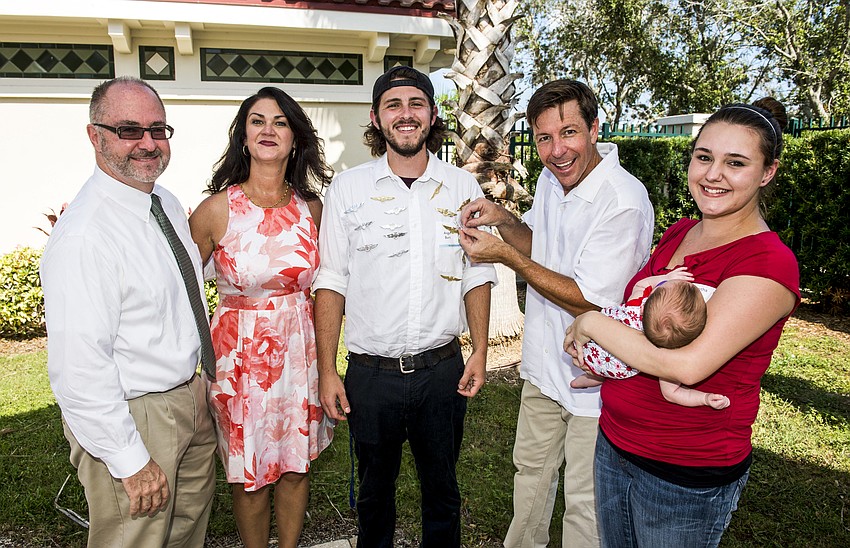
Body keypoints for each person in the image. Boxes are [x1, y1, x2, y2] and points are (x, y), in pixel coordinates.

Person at [564, 98, 800, 547]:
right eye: (704, 157)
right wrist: (609, 362)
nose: (713, 174)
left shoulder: (768, 262)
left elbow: (687, 366)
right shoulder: (679, 232)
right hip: (614, 444)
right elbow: (642, 321)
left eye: (736, 163)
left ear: (767, 172)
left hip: (683, 474)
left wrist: (591, 323)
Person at [458, 79, 654, 548]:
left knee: (585, 505)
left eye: (569, 133)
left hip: (595, 382)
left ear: (594, 128)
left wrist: (505, 257)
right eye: (544, 138)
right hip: (544, 369)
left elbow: (590, 302)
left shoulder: (623, 202)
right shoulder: (552, 179)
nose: (556, 150)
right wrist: (505, 221)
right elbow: (540, 249)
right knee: (529, 476)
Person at [314, 65, 497, 548]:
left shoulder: (461, 187)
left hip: (442, 371)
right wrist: (327, 370)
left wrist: (480, 349)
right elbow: (331, 280)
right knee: (374, 496)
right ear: (376, 118)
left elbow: (477, 272)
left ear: (433, 114)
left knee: (443, 492)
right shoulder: (347, 188)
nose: (406, 114)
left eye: (416, 103)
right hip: (370, 376)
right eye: (393, 105)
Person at [40, 76, 216, 547]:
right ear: (95, 136)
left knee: (185, 536)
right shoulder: (85, 236)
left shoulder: (164, 203)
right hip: (134, 416)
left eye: (158, 129)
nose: (148, 143)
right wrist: (130, 460)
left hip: (188, 397)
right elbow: (79, 368)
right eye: (129, 130)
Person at [189, 86, 335, 548]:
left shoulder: (313, 210)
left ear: (295, 139)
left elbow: (330, 287)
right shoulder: (216, 210)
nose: (268, 130)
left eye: (280, 122)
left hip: (299, 354)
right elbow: (180, 290)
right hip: (239, 360)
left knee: (295, 467)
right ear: (244, 137)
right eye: (257, 121)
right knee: (248, 474)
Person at [571, 268, 731, 410]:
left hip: (589, 348)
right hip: (616, 370)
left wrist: (666, 277)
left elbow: (641, 285)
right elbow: (672, 394)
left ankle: (592, 377)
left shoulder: (635, 305)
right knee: (609, 367)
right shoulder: (665, 359)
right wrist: (705, 398)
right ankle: (593, 377)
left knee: (601, 365)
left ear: (646, 305)